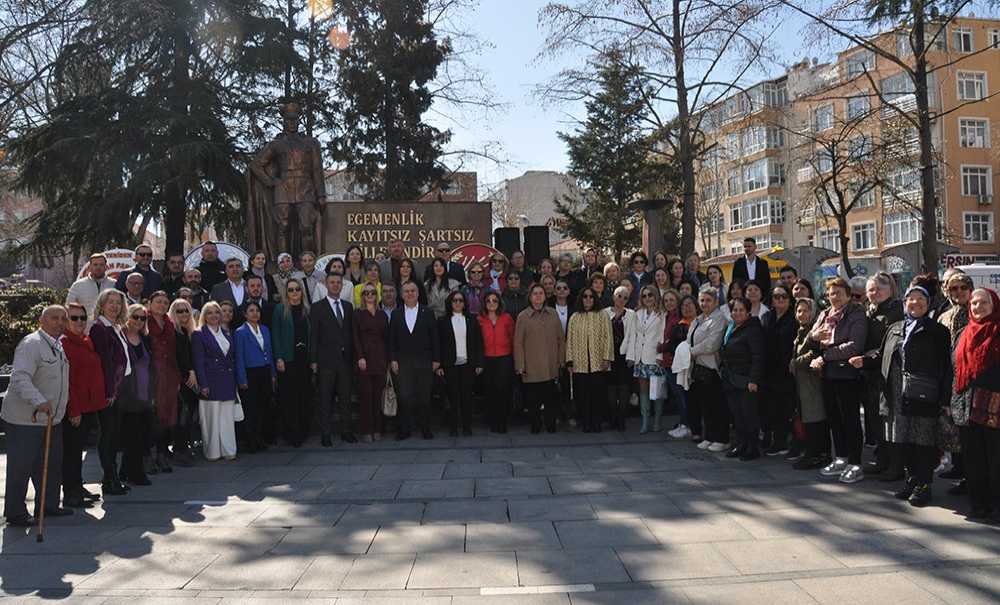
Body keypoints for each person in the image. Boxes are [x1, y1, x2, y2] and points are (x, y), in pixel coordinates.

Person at [878, 286, 952, 506]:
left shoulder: (937, 330)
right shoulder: (894, 328)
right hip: (897, 393)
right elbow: (882, 356)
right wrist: (863, 360)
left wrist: (944, 398)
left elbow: (946, 367)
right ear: (904, 303)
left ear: (928, 304)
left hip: (924, 393)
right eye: (911, 299)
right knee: (903, 440)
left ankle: (924, 485)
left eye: (921, 299)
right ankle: (911, 480)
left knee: (923, 440)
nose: (916, 303)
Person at [2, 305, 73, 526]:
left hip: (51, 419)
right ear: (42, 321)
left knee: (51, 465)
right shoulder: (31, 344)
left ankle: (48, 506)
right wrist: (38, 401)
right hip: (26, 419)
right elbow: (20, 378)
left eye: (63, 318)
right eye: (54, 318)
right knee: (21, 467)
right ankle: (15, 512)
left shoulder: (58, 345)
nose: (60, 322)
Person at [810, 277, 868, 484]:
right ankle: (841, 457)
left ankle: (855, 462)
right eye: (831, 293)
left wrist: (825, 355)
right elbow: (811, 336)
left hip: (847, 374)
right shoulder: (825, 313)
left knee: (850, 419)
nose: (835, 297)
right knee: (834, 418)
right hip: (827, 374)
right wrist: (816, 336)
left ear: (848, 295)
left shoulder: (856, 312)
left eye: (839, 293)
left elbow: (855, 345)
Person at [850, 272, 904, 479]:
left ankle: (895, 466)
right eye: (871, 290)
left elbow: (891, 345)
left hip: (889, 372)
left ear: (890, 289)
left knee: (890, 421)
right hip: (871, 373)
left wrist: (870, 355)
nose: (875, 293)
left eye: (879, 289)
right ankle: (882, 460)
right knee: (876, 420)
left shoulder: (896, 310)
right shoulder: (870, 310)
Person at [952, 288, 1000, 520]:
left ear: (994, 305)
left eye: (984, 303)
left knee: (995, 458)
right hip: (966, 404)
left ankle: (996, 505)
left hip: (994, 405)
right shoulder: (964, 332)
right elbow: (954, 368)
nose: (978, 307)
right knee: (973, 458)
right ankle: (978, 503)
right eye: (974, 303)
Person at [59, 302, 106, 508]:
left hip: (88, 406)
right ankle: (71, 493)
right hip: (75, 408)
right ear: (65, 321)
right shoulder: (64, 344)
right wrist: (74, 410)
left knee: (77, 451)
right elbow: (67, 382)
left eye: (83, 317)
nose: (79, 321)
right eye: (74, 318)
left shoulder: (85, 340)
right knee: (71, 453)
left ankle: (77, 486)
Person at [89, 289, 130, 495]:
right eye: (110, 302)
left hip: (120, 388)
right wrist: (110, 390)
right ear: (102, 305)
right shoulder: (99, 328)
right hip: (109, 391)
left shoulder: (116, 327)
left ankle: (113, 477)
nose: (115, 306)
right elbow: (104, 362)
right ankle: (109, 479)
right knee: (108, 435)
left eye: (118, 303)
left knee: (115, 436)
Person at [937, 271, 975, 495]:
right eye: (954, 288)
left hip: (969, 379)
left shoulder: (975, 312)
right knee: (952, 427)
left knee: (968, 430)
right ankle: (959, 468)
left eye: (963, 287)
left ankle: (971, 477)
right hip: (947, 377)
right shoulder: (944, 316)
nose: (959, 292)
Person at [389, 281, 441, 440]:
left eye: (413, 291)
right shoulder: (396, 314)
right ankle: (405, 429)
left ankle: (425, 428)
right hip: (403, 362)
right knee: (404, 397)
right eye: (406, 291)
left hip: (425, 361)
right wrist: (393, 359)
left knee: (424, 397)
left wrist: (436, 359)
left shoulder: (428, 312)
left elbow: (435, 337)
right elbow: (392, 339)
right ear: (401, 294)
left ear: (418, 293)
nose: (410, 294)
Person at [309, 273, 355, 446]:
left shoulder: (348, 307)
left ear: (342, 285)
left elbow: (350, 333)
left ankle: (346, 431)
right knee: (325, 399)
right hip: (325, 361)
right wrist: (313, 360)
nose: (335, 285)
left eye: (338, 283)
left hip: (345, 361)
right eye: (332, 282)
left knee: (345, 398)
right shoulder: (317, 307)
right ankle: (326, 434)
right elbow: (314, 335)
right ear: (326, 285)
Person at [719, 297, 766, 461]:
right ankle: (741, 445)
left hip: (746, 380)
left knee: (749, 416)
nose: (737, 313)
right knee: (737, 416)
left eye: (741, 310)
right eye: (734, 310)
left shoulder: (753, 329)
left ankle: (752, 448)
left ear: (748, 312)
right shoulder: (731, 327)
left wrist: (754, 379)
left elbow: (758, 356)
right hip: (731, 379)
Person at [515, 284, 565, 433]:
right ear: (530, 297)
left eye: (541, 293)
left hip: (550, 364)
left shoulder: (553, 314)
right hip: (531, 365)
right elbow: (518, 343)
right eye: (535, 293)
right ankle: (535, 424)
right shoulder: (523, 316)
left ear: (545, 296)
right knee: (533, 400)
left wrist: (561, 359)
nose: (538, 296)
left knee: (551, 398)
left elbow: (560, 339)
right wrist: (520, 365)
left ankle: (550, 424)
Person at [192, 301, 238, 461]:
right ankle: (213, 452)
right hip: (210, 381)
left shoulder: (227, 333)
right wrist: (203, 384)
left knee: (227, 419)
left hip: (227, 381)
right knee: (211, 419)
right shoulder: (199, 334)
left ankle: (229, 450)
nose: (214, 315)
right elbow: (198, 361)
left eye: (217, 312)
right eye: (210, 312)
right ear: (204, 316)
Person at [790, 297, 831, 470]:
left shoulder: (816, 329)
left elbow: (815, 353)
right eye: (799, 311)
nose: (802, 314)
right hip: (803, 381)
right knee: (807, 416)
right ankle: (812, 452)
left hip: (813, 380)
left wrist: (795, 363)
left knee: (815, 416)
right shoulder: (801, 330)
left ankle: (817, 454)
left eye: (806, 310)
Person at [117, 304, 155, 486]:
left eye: (143, 318)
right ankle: (136, 474)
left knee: (142, 434)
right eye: (135, 317)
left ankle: (125, 471)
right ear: (127, 316)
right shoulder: (120, 337)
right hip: (126, 393)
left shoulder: (145, 339)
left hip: (144, 392)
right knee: (132, 436)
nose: (139, 321)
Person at [687, 285, 729, 451]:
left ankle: (722, 438)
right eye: (702, 300)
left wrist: (690, 352)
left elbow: (712, 344)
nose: (704, 303)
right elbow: (689, 339)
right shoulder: (698, 319)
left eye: (708, 300)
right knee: (705, 406)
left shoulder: (719, 318)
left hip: (713, 369)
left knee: (717, 405)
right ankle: (709, 436)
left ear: (716, 302)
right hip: (698, 368)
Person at [566, 287, 613, 433]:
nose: (588, 299)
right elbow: (570, 340)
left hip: (598, 362)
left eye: (591, 297)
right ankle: (585, 422)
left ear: (595, 299)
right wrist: (569, 360)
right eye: (585, 296)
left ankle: (596, 422)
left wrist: (607, 357)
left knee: (597, 394)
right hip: (580, 363)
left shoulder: (602, 315)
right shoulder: (574, 317)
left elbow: (608, 337)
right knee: (582, 394)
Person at [437, 290, 484, 436]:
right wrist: (439, 365)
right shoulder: (442, 321)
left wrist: (479, 363)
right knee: (453, 397)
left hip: (468, 364)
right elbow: (439, 344)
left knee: (467, 397)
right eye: (455, 300)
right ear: (450, 303)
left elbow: (478, 342)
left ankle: (467, 427)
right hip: (450, 364)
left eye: (460, 300)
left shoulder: (472, 319)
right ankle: (453, 427)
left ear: (465, 303)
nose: (457, 303)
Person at [272, 278, 311, 447]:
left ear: (302, 292)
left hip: (304, 360)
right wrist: (279, 357)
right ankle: (291, 433)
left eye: (297, 289)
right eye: (291, 290)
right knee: (289, 398)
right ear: (286, 293)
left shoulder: (307, 310)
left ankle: (303, 430)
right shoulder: (280, 310)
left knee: (303, 396)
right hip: (287, 360)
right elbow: (275, 335)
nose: (294, 292)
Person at [234, 301, 276, 453]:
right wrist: (242, 379)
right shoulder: (240, 332)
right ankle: (250, 441)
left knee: (262, 407)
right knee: (251, 408)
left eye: (257, 310)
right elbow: (239, 357)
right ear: (245, 314)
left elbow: (269, 352)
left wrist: (272, 374)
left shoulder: (264, 329)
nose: (255, 313)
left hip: (264, 371)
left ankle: (260, 438)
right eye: (251, 311)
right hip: (250, 372)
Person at [624, 285, 667, 433]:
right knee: (643, 391)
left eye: (650, 295)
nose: (647, 298)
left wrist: (660, 356)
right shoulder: (637, 313)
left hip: (655, 357)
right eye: (644, 296)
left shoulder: (662, 314)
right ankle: (645, 421)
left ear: (655, 296)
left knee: (657, 390)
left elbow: (662, 336)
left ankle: (657, 421)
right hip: (640, 357)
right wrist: (631, 356)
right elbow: (633, 336)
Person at [760, 284, 797, 456]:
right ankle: (775, 440)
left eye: (784, 296)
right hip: (769, 370)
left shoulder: (794, 317)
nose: (780, 299)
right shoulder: (767, 317)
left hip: (787, 370)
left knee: (786, 408)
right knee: (771, 408)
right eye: (776, 297)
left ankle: (785, 442)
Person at [146, 291, 179, 473]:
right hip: (151, 374)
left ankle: (162, 452)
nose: (162, 305)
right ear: (150, 303)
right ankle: (148, 455)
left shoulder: (169, 323)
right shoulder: (144, 320)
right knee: (152, 415)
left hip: (169, 374)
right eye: (158, 301)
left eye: (165, 302)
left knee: (167, 415)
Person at [353, 282, 389, 442]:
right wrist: (360, 357)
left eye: (372, 292)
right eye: (366, 293)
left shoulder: (382, 315)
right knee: (366, 396)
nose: (369, 295)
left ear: (377, 295)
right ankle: (366, 430)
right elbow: (355, 337)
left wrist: (388, 359)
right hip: (365, 359)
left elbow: (387, 338)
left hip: (380, 358)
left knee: (377, 396)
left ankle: (378, 429)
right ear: (362, 296)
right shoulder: (357, 314)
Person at [479, 291, 516, 433]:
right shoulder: (480, 319)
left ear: (499, 303)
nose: (491, 303)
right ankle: (493, 420)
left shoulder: (507, 318)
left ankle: (503, 421)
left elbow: (512, 338)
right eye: (488, 301)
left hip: (504, 358)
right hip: (487, 358)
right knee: (490, 390)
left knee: (503, 389)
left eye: (494, 300)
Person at [168, 298, 198, 465]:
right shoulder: (173, 333)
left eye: (186, 310)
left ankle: (184, 447)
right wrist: (190, 371)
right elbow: (177, 358)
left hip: (189, 380)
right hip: (180, 380)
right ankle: (179, 449)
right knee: (182, 415)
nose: (184, 313)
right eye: (179, 311)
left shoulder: (187, 332)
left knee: (188, 414)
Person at [665, 295, 698, 439]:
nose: (687, 307)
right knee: (681, 397)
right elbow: (671, 346)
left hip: (696, 367)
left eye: (690, 304)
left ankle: (690, 426)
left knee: (692, 399)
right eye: (684, 305)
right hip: (679, 367)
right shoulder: (679, 325)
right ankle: (684, 423)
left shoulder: (700, 323)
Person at [605, 286, 636, 431]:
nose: (622, 299)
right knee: (611, 388)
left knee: (624, 388)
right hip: (609, 355)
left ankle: (622, 419)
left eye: (625, 297)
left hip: (624, 355)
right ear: (613, 297)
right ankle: (613, 418)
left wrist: (631, 357)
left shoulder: (631, 314)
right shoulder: (605, 313)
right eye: (619, 296)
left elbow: (633, 336)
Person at [66, 253, 116, 323]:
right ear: (89, 267)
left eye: (101, 265)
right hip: (86, 327)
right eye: (95, 265)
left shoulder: (114, 284)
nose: (98, 267)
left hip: (110, 326)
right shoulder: (78, 285)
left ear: (106, 267)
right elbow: (68, 307)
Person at [211, 258, 248, 327]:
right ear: (226, 270)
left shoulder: (251, 286)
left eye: (238, 266)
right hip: (225, 329)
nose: (235, 269)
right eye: (231, 267)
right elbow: (213, 311)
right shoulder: (217, 289)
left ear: (243, 269)